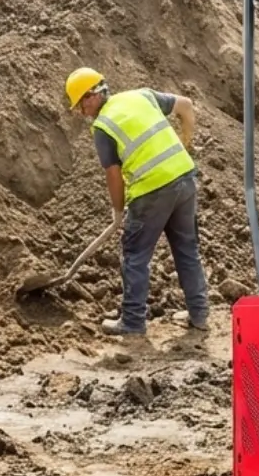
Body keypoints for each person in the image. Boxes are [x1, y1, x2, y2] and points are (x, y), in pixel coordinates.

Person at [65, 67, 209, 336]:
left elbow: (114, 175)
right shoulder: (141, 95)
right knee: (187, 249)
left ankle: (132, 321)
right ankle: (199, 314)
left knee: (135, 254)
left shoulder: (103, 126)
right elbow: (186, 107)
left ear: (91, 96)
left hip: (151, 190)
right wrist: (185, 146)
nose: (81, 113)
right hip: (185, 178)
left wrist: (117, 212)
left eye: (80, 105)